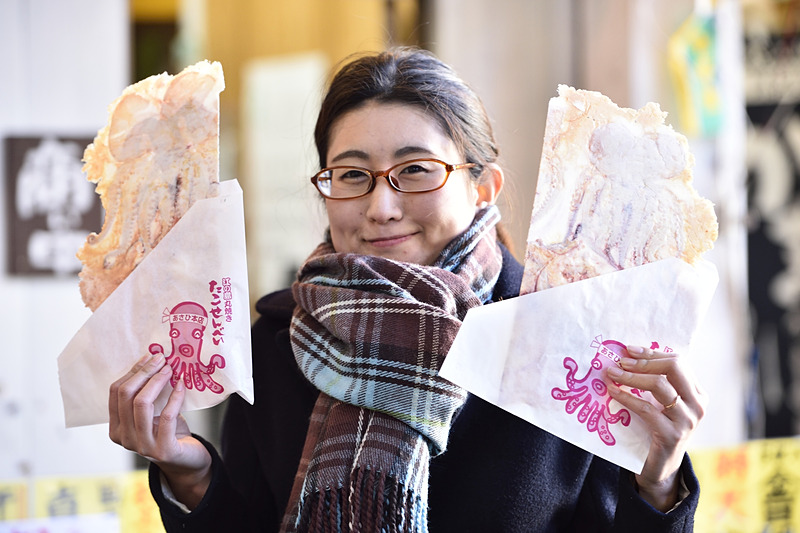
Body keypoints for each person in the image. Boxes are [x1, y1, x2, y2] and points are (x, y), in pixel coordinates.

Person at [108, 46, 705, 532]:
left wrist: (658, 482)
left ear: (482, 186)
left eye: (415, 170)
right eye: (352, 175)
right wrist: (189, 474)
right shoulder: (275, 341)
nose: (381, 207)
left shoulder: (562, 335)